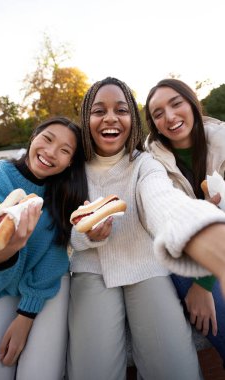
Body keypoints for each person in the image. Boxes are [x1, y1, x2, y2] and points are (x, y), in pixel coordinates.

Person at [66, 76, 225, 380]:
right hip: (90, 269)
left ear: (133, 120)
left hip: (146, 266)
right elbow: (67, 230)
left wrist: (196, 222)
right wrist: (84, 235)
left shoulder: (146, 164)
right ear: (87, 118)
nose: (110, 118)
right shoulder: (73, 168)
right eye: (99, 111)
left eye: (121, 110)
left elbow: (160, 201)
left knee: (174, 368)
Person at [0, 116, 88, 380]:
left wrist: (27, 314)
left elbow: (55, 257)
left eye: (64, 150)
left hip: (47, 285)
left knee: (39, 373)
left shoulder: (63, 194)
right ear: (34, 136)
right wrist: (6, 251)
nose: (50, 153)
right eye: (47, 139)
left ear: (70, 162)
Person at [145, 78, 225, 367]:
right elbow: (167, 227)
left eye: (176, 104)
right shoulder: (152, 162)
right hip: (187, 254)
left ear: (192, 103)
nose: (169, 116)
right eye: (158, 113)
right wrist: (202, 283)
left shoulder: (222, 142)